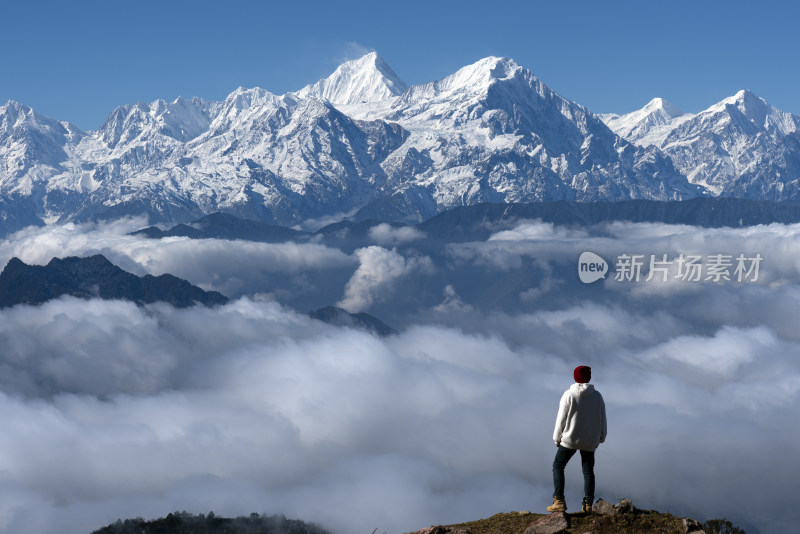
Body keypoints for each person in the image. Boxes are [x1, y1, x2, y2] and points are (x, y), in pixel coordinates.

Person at [546, 365, 607, 513]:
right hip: (590, 440)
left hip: (570, 439)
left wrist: (557, 438)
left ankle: (559, 500)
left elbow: (561, 419)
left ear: (575, 377)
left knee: (558, 466)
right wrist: (601, 437)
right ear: (589, 377)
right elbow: (602, 418)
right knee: (588, 471)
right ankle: (588, 505)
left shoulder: (569, 394)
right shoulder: (597, 396)